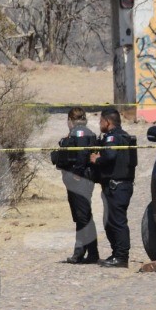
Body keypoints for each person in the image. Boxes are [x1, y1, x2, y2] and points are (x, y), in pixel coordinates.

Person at [89, 105, 137, 268]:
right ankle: (116, 254)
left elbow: (110, 155)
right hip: (119, 186)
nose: (99, 123)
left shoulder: (112, 138)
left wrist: (97, 159)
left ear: (108, 122)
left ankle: (121, 257)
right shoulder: (123, 136)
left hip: (117, 187)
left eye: (101, 120)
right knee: (111, 221)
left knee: (117, 222)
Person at [51, 106, 100, 264]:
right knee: (84, 215)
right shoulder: (86, 133)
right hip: (81, 178)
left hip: (80, 179)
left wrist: (77, 173)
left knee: (82, 216)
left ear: (71, 120)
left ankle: (80, 252)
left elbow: (82, 153)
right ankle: (92, 252)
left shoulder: (79, 134)